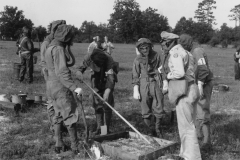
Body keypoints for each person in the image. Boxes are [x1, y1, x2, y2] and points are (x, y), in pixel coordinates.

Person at [160, 31, 201, 160]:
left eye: (164, 42)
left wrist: (167, 75)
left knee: (186, 128)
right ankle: (185, 154)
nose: (162, 44)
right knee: (189, 124)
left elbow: (179, 73)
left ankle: (192, 157)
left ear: (169, 42)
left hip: (184, 92)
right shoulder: (187, 52)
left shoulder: (175, 52)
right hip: (192, 88)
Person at [45, 24, 83, 154]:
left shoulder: (50, 47)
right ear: (66, 36)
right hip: (61, 86)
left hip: (50, 85)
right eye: (71, 37)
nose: (72, 39)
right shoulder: (59, 49)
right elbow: (62, 72)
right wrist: (74, 87)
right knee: (69, 114)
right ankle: (75, 147)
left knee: (57, 114)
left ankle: (58, 143)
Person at [179, 34, 214, 151]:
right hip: (196, 83)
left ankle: (206, 142)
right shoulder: (190, 52)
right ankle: (199, 136)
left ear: (189, 43)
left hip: (203, 83)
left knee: (202, 111)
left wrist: (199, 84)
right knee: (196, 111)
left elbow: (203, 69)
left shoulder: (197, 51)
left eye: (184, 45)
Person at [76, 41, 117, 135]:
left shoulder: (108, 59)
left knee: (107, 105)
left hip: (107, 79)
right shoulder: (88, 57)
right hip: (95, 79)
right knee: (97, 104)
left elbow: (111, 78)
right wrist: (79, 72)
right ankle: (99, 128)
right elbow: (80, 68)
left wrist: (107, 91)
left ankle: (105, 130)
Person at [132, 38, 165, 138]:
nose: (145, 50)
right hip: (143, 83)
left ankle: (157, 129)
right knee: (145, 107)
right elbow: (135, 74)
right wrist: (135, 89)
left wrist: (165, 82)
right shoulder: (137, 59)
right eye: (142, 48)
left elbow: (163, 69)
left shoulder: (157, 55)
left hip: (156, 82)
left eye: (146, 47)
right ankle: (149, 130)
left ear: (150, 47)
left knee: (158, 106)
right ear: (139, 48)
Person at [39, 20, 66, 134]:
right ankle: (54, 126)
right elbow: (44, 62)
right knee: (52, 102)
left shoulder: (59, 41)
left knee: (60, 102)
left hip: (58, 76)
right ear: (55, 30)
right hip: (50, 75)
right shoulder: (47, 43)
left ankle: (60, 125)